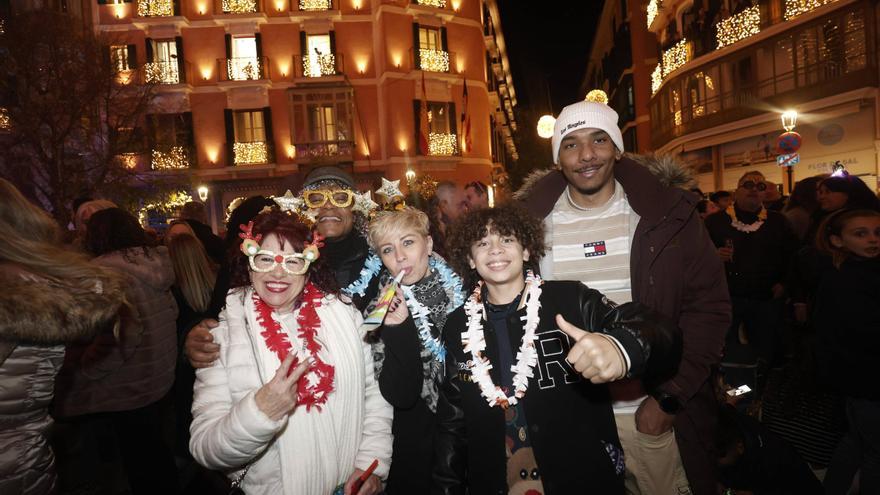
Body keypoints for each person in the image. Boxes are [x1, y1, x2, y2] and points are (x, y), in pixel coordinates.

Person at [519, 98, 730, 495]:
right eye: (571, 144)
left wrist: (669, 399)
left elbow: (709, 311)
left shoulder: (667, 217)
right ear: (558, 159)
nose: (586, 155)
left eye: (598, 140)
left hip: (646, 416)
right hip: (571, 422)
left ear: (617, 148)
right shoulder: (529, 226)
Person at [433, 204, 682, 494]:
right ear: (470, 259)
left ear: (526, 251)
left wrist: (622, 346)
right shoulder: (456, 325)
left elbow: (660, 330)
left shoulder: (571, 300)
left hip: (580, 476)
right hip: (497, 479)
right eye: (483, 242)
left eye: (507, 239)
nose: (495, 249)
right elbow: (452, 421)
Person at [189, 209, 392, 495]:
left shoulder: (345, 315)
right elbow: (204, 448)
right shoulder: (222, 338)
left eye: (293, 262)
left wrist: (371, 465)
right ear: (249, 267)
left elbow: (373, 395)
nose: (278, 273)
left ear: (308, 270)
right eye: (265, 259)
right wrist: (260, 413)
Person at [0, 179, 126, 495]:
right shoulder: (58, 277)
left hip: (21, 464)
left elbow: (121, 346)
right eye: (82, 218)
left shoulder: (31, 290)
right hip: (29, 462)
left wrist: (83, 368)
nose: (85, 226)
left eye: (91, 220)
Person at [185, 166, 378, 369]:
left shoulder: (383, 258)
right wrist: (198, 337)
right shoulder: (272, 256)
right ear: (303, 208)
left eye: (340, 198)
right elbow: (226, 312)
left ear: (355, 209)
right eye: (316, 198)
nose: (328, 206)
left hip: (364, 374)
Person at [53, 207, 179, 494]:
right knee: (154, 455)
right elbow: (171, 313)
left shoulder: (106, 274)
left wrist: (86, 367)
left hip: (125, 387)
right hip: (155, 379)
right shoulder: (154, 264)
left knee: (131, 463)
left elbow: (122, 335)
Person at [363, 207, 463, 494]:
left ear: (428, 244)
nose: (400, 257)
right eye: (387, 250)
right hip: (418, 449)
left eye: (408, 242)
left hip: (471, 438)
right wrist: (400, 327)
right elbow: (400, 396)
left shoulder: (465, 290)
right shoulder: (379, 311)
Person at [705, 171, 798, 386]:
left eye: (760, 186)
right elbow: (694, 256)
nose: (754, 189)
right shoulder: (715, 222)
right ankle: (729, 395)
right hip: (726, 299)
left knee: (763, 349)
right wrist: (714, 255)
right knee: (725, 350)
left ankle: (755, 395)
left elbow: (792, 256)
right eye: (748, 184)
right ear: (736, 191)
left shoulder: (778, 221)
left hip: (765, 299)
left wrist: (784, 284)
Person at [813, 209, 880, 494]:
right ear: (837, 241)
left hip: (861, 375)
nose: (873, 239)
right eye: (860, 233)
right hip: (865, 376)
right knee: (875, 451)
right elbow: (864, 330)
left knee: (857, 441)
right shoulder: (845, 279)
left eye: (878, 232)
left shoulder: (867, 271)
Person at [783, 175, 824, 243]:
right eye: (820, 190)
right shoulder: (798, 215)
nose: (823, 194)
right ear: (808, 191)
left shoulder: (809, 212)